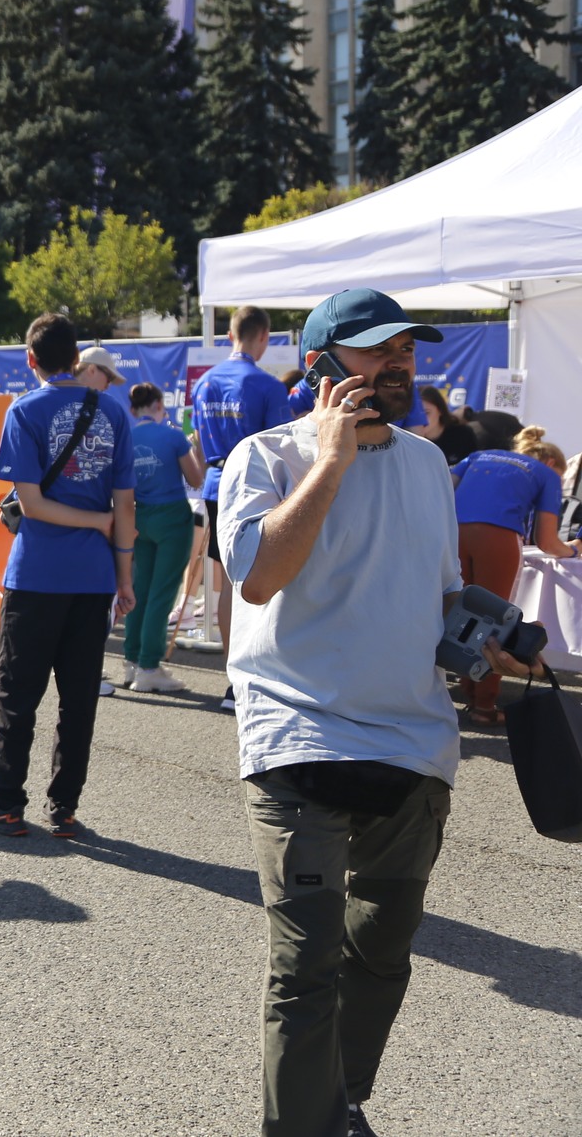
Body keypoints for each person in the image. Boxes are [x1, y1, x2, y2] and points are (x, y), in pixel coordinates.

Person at [217, 287, 545, 1137]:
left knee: (381, 956)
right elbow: (258, 576)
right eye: (376, 350)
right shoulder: (265, 457)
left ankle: (335, 1105)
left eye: (406, 349)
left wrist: (489, 641)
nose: (399, 362)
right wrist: (331, 461)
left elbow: (434, 595)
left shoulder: (429, 464)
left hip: (413, 747)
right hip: (297, 737)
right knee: (305, 965)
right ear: (324, 363)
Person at [0, 313, 134, 838]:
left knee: (17, 694)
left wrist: (93, 519)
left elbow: (32, 505)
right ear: (77, 359)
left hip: (37, 575)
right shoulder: (113, 412)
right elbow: (126, 504)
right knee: (78, 698)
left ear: (31, 359)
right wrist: (124, 576)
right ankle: (64, 808)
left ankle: (7, 806)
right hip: (95, 578)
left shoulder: (25, 410)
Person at [191, 304, 293, 709]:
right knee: (266, 578)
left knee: (227, 581)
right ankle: (257, 676)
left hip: (217, 485)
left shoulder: (205, 383)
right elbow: (282, 445)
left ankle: (235, 680)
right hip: (256, 487)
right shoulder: (267, 385)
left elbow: (197, 439)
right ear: (264, 336)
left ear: (231, 334)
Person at [449, 427, 575, 724]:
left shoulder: (476, 456)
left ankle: (463, 689)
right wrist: (572, 551)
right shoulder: (547, 475)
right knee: (495, 622)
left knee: (455, 611)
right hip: (498, 539)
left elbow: (443, 491)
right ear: (552, 463)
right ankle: (484, 706)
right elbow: (547, 543)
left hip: (451, 533)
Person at [120, 382, 204, 694]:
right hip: (171, 516)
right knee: (163, 592)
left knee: (140, 587)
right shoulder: (172, 436)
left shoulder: (125, 437)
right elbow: (196, 478)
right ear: (159, 405)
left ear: (132, 409)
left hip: (137, 516)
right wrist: (198, 448)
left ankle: (132, 660)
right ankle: (149, 666)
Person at [412, 387, 479, 465]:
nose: (420, 419)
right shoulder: (407, 440)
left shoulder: (463, 435)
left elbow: (473, 467)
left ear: (440, 410)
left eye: (427, 413)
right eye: (416, 414)